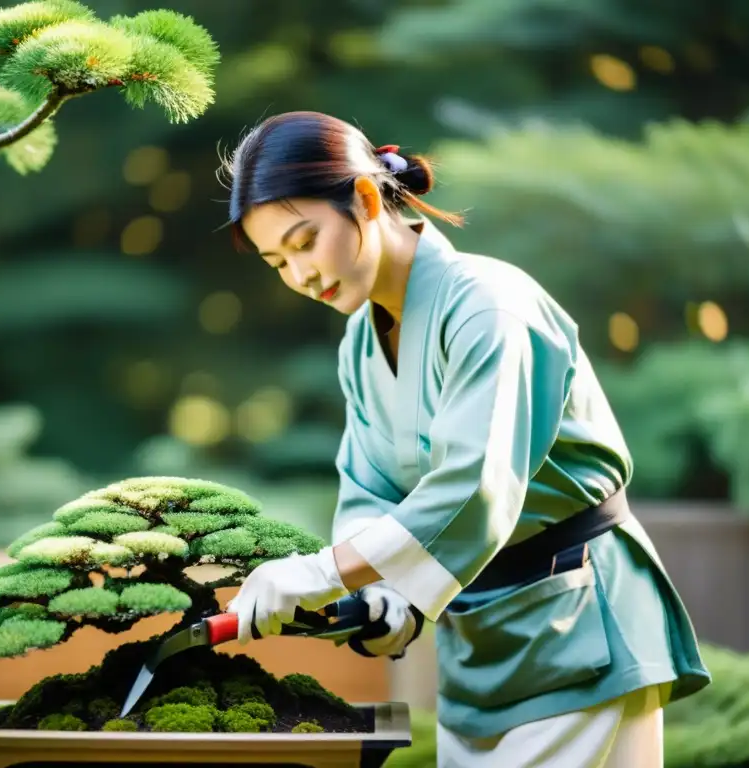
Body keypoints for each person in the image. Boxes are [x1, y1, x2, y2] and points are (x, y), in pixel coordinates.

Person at [222, 110, 711, 767]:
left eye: (305, 242)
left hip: (578, 624)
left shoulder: (490, 306)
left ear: (366, 199)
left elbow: (474, 489)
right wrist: (388, 595)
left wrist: (322, 572)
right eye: (277, 261)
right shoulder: (360, 343)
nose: (301, 276)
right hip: (478, 639)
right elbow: (370, 488)